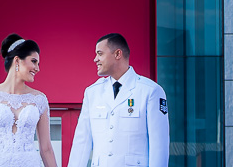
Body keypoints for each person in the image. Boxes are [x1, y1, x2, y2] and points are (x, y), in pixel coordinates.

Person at [67, 33, 169, 167]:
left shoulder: (150, 91)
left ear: (117, 54)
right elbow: (81, 142)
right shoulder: (92, 92)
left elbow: (159, 145)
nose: (95, 59)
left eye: (100, 53)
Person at [0, 33, 59, 167]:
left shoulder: (39, 99)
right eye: (33, 61)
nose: (37, 68)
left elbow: (46, 148)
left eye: (38, 63)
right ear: (17, 60)